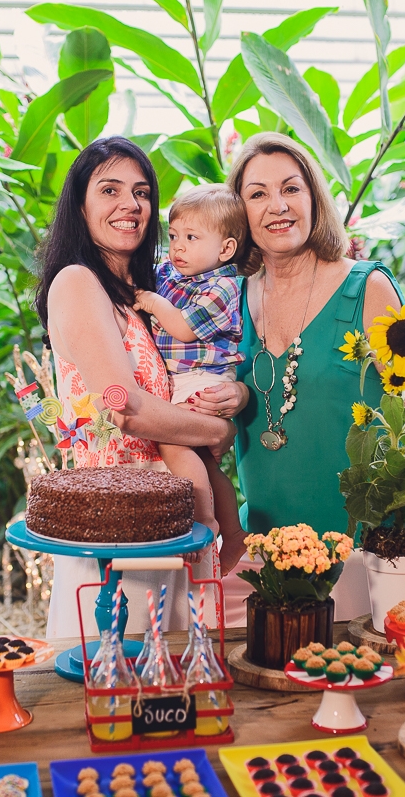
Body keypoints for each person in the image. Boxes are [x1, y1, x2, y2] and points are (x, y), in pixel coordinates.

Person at [183, 133, 405, 626]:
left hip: (373, 561)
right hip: (270, 561)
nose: (276, 206)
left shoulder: (368, 289)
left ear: (313, 198)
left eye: (291, 188)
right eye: (257, 194)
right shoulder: (228, 300)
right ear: (240, 214)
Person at [34, 137, 236, 637]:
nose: (130, 205)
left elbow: (206, 363)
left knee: (177, 695)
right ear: (80, 207)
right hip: (114, 530)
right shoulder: (79, 282)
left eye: (142, 192)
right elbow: (125, 408)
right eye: (110, 190)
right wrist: (214, 430)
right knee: (117, 692)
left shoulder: (150, 294)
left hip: (172, 521)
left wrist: (238, 398)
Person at [132, 184, 248, 576]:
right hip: (182, 379)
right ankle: (233, 532)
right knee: (205, 466)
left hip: (202, 378)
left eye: (192, 238)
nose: (178, 247)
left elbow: (182, 329)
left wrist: (152, 302)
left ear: (226, 249)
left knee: (172, 442)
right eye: (175, 236)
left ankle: (204, 527)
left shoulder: (223, 287)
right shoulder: (173, 273)